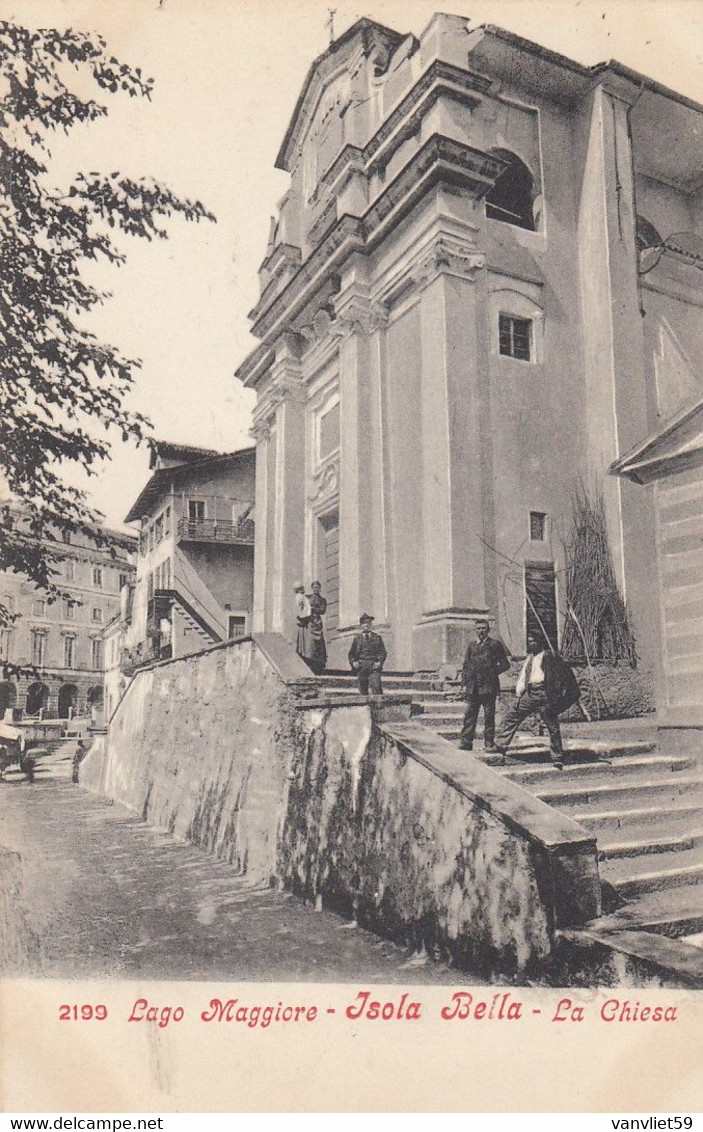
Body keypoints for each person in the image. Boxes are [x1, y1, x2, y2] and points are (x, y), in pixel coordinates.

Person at [495, 631, 581, 770]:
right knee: (512, 716)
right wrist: (519, 695)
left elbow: (559, 675)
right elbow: (523, 677)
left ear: (540, 642)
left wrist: (555, 694)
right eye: (529, 641)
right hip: (530, 693)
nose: (531, 644)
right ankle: (500, 745)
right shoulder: (529, 659)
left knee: (552, 726)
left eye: (534, 641)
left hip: (544, 693)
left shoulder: (549, 657)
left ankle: (557, 757)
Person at [458, 618, 511, 753]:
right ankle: (466, 742)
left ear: (488, 630)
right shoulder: (471, 646)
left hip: (489, 687)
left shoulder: (495, 645)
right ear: (475, 630)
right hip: (473, 688)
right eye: (479, 628)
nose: (481, 631)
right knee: (470, 715)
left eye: (483, 628)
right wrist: (464, 683)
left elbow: (505, 664)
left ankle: (489, 743)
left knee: (489, 716)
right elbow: (466, 666)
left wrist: (492, 673)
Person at [348, 613, 387, 695]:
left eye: (368, 623)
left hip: (373, 665)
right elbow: (351, 654)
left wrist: (379, 662)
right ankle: (365, 707)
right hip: (361, 666)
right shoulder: (357, 638)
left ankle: (378, 706)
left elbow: (383, 652)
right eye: (364, 623)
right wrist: (354, 662)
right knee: (362, 688)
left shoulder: (377, 637)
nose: (367, 625)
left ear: (371, 624)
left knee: (376, 686)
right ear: (361, 625)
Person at [306, 581, 328, 675]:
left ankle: (319, 662)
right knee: (310, 642)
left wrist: (313, 609)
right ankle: (309, 660)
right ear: (312, 588)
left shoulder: (323, 600)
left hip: (317, 622)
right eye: (314, 587)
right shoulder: (308, 598)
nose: (316, 589)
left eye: (317, 587)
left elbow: (322, 611)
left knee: (319, 642)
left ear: (320, 588)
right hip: (309, 621)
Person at [293, 582, 312, 666]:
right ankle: (302, 653)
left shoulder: (302, 597)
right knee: (302, 637)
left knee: (303, 637)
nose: (303, 590)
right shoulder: (299, 597)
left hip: (304, 618)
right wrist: (301, 617)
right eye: (301, 588)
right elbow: (299, 608)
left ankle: (303, 652)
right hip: (303, 619)